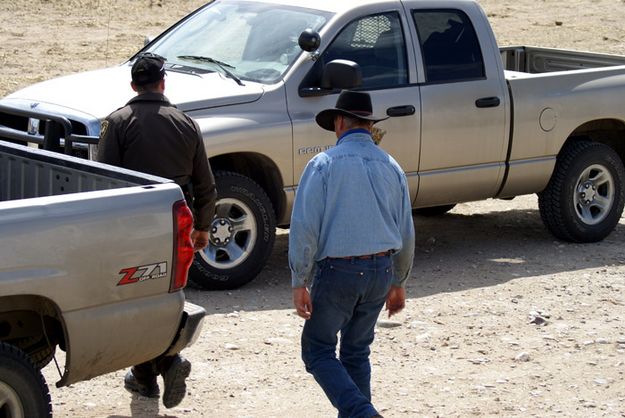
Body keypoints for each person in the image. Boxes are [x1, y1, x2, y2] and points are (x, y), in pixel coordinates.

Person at [97, 52, 217, 408]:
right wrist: (204, 228)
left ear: (134, 85)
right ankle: (151, 373)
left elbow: (104, 181)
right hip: (175, 227)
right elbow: (206, 185)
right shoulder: (186, 124)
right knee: (168, 295)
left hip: (132, 231)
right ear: (163, 82)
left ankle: (157, 368)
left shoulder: (117, 122)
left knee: (135, 300)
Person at [289, 90, 415, 418]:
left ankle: (363, 413)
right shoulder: (392, 166)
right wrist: (399, 281)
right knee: (356, 352)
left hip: (339, 272)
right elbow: (405, 231)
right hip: (381, 271)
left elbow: (305, 228)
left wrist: (299, 279)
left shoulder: (322, 165)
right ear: (370, 125)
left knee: (317, 350)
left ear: (340, 122)